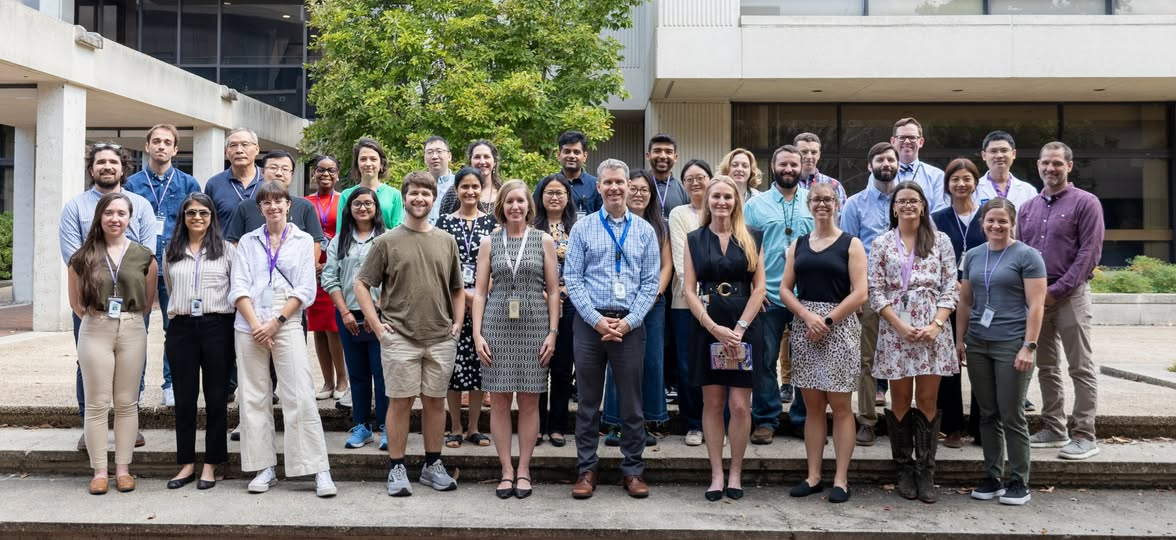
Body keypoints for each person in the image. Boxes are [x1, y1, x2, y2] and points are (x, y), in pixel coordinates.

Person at [354, 171, 466, 497]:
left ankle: (433, 464)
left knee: (435, 402)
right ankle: (397, 467)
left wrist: (458, 324)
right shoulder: (386, 241)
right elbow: (361, 284)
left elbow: (457, 288)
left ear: (434, 199)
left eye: (426, 193)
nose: (419, 198)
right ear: (404, 198)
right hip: (400, 336)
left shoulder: (446, 240)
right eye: (414, 193)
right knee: (400, 402)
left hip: (440, 337)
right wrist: (377, 326)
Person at [228, 180, 336, 498]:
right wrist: (256, 325)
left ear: (289, 205)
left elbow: (306, 288)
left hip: (285, 317)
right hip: (249, 320)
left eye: (279, 201)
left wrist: (275, 323)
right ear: (260, 208)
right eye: (267, 202)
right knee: (253, 395)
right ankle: (263, 467)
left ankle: (316, 467)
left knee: (299, 394)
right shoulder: (248, 241)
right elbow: (238, 286)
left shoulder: (302, 240)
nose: (273, 207)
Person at [565, 159, 660, 500]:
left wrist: (629, 321)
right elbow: (572, 278)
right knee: (588, 403)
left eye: (620, 182)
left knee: (632, 405)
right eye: (608, 182)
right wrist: (596, 319)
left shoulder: (645, 231)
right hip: (590, 325)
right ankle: (586, 470)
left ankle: (633, 470)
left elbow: (650, 283)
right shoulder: (582, 228)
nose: (615, 188)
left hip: (629, 325)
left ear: (629, 185)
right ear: (599, 187)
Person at [59, 143, 156, 451]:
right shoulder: (75, 207)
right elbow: (73, 257)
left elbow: (147, 253)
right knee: (86, 365)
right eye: (100, 162)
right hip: (93, 304)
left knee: (134, 364)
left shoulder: (140, 205)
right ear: (92, 169)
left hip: (131, 302)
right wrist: (85, 307)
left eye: (113, 162)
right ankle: (89, 425)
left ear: (123, 168)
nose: (107, 166)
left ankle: (130, 426)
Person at [870, 181, 959, 504]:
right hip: (896, 330)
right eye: (902, 201)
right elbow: (875, 290)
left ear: (923, 206)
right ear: (894, 208)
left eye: (914, 200)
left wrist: (937, 325)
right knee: (900, 398)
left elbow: (951, 285)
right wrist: (899, 325)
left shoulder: (940, 240)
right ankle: (904, 468)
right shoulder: (882, 243)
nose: (908, 205)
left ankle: (925, 470)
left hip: (932, 328)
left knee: (927, 398)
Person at [779, 182, 868, 504]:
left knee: (841, 407)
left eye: (828, 199)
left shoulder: (851, 244)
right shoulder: (798, 244)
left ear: (837, 203)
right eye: (816, 199)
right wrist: (807, 317)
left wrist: (827, 320)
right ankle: (814, 476)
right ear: (809, 204)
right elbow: (785, 289)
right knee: (813, 407)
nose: (821, 204)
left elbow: (861, 292)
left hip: (840, 328)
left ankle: (841, 479)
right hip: (806, 330)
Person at [473, 181, 561, 499]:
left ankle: (524, 469)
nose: (515, 206)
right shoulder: (489, 241)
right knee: (498, 401)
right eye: (509, 201)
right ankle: (506, 470)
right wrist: (477, 333)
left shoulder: (543, 240)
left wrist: (553, 332)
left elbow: (554, 291)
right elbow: (479, 292)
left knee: (529, 400)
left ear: (528, 206)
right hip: (497, 326)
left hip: (535, 326)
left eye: (520, 201)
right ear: (501, 206)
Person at [957, 198, 1047, 506]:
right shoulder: (973, 255)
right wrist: (959, 340)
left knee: (1011, 413)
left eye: (1002, 221)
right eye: (990, 220)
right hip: (978, 342)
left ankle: (1019, 480)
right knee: (987, 413)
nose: (996, 226)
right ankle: (992, 476)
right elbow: (965, 301)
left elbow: (1037, 305)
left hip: (1012, 343)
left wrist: (1029, 346)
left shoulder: (1028, 256)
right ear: (982, 223)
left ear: (1012, 223)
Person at [682, 177, 767, 501]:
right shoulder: (694, 238)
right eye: (716, 196)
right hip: (708, 327)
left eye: (727, 197)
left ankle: (735, 472)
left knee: (740, 406)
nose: (721, 202)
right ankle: (716, 473)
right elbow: (689, 289)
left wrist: (740, 328)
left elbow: (760, 288)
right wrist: (712, 327)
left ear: (736, 201)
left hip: (744, 326)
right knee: (714, 402)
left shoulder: (752, 237)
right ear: (708, 200)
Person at [1019, 142, 1105, 461]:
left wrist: (1057, 290)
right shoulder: (1027, 208)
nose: (1050, 168)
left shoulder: (1086, 203)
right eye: (1045, 163)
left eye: (1057, 163)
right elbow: (1021, 253)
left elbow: (1089, 253)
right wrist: (1032, 294)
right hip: (1037, 298)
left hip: (1071, 295)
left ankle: (1084, 434)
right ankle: (1054, 427)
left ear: (1069, 166)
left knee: (1080, 366)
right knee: (1046, 366)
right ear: (1038, 165)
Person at [69, 192, 157, 495]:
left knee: (126, 402)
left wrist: (127, 320)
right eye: (109, 213)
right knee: (96, 403)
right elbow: (75, 302)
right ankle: (99, 471)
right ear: (99, 217)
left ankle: (123, 469)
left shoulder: (144, 255)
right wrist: (99, 320)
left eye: (121, 213)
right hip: (96, 327)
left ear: (130, 218)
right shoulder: (83, 256)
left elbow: (148, 300)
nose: (115, 219)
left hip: (132, 328)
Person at [125, 123, 201, 407]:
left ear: (175, 149)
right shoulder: (132, 185)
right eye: (156, 141)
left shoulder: (188, 184)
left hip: (176, 263)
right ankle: (136, 386)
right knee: (136, 328)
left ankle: (171, 384)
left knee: (176, 328)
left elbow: (196, 224)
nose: (161, 146)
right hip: (140, 265)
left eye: (167, 142)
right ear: (147, 146)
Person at [162, 193, 234, 490]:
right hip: (181, 328)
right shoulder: (171, 250)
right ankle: (186, 463)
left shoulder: (226, 250)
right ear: (183, 217)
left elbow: (235, 288)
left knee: (216, 397)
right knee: (184, 397)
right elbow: (170, 286)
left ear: (212, 217)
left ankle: (211, 464)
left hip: (217, 325)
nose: (197, 218)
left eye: (203, 212)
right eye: (191, 212)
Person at [743, 145, 813, 445]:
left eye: (794, 164)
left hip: (806, 295)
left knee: (806, 360)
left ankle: (803, 419)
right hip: (768, 295)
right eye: (783, 164)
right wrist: (752, 290)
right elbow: (745, 250)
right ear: (773, 167)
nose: (788, 169)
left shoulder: (813, 200)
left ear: (802, 167)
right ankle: (765, 419)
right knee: (764, 360)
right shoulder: (755, 205)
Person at [601, 169, 672, 448]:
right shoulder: (609, 223)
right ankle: (616, 424)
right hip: (619, 304)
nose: (639, 194)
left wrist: (654, 294)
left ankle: (645, 422)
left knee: (650, 362)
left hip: (652, 304)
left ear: (652, 195)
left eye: (645, 190)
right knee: (618, 362)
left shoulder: (659, 226)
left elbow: (667, 266)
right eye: (635, 188)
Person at [840, 142, 901, 447]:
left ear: (898, 164)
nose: (885, 163)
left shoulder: (908, 199)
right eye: (880, 159)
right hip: (868, 293)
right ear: (870, 165)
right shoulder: (855, 204)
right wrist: (853, 295)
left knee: (904, 356)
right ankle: (867, 420)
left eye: (890, 159)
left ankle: (902, 420)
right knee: (867, 359)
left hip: (905, 295)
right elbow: (847, 252)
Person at [321, 187, 388, 450]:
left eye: (368, 203)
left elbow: (393, 277)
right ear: (349, 208)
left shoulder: (386, 238)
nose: (363, 208)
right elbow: (330, 278)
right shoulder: (340, 240)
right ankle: (361, 426)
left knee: (382, 374)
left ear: (376, 208)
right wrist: (345, 312)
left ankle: (386, 426)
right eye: (357, 203)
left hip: (380, 316)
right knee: (357, 374)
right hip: (348, 315)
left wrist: (377, 310)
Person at [436, 168, 497, 449]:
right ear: (456, 190)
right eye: (465, 187)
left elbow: (497, 262)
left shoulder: (493, 223)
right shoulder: (444, 222)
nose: (470, 192)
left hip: (487, 301)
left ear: (481, 189)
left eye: (475, 187)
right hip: (452, 301)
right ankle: (455, 427)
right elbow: (441, 265)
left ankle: (474, 427)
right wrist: (465, 297)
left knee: (479, 364)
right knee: (454, 365)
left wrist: (479, 296)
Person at [931, 158, 988, 449]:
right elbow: (931, 257)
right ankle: (951, 427)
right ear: (947, 184)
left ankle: (980, 426)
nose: (961, 184)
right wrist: (955, 283)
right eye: (955, 179)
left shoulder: (987, 214)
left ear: (975, 182)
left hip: (984, 298)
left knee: (980, 360)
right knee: (949, 363)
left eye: (967, 178)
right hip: (948, 298)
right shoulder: (937, 218)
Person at [668, 158, 713, 446]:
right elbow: (681, 261)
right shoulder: (678, 214)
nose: (696, 183)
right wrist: (700, 297)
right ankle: (694, 424)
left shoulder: (723, 209)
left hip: (721, 304)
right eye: (689, 179)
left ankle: (718, 423)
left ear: (711, 179)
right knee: (687, 365)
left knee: (718, 364)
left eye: (701, 177)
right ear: (683, 185)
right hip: (685, 303)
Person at [533, 174, 580, 447]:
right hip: (536, 302)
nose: (554, 197)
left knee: (562, 367)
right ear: (540, 196)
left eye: (559, 192)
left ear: (568, 197)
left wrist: (562, 293)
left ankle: (558, 426)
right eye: (549, 192)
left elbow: (583, 267)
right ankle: (536, 425)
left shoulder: (578, 228)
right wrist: (545, 293)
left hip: (570, 303)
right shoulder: (530, 227)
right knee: (539, 364)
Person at [306, 155, 347, 403]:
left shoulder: (344, 200)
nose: (326, 174)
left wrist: (329, 264)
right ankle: (327, 381)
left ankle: (342, 379)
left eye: (331, 170)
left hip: (335, 269)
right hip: (311, 269)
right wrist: (312, 264)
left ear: (338, 174)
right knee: (318, 328)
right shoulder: (304, 202)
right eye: (321, 170)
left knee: (333, 327)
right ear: (314, 174)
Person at [336, 138, 405, 235]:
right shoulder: (346, 195)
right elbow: (341, 232)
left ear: (381, 164)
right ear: (357, 164)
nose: (368, 164)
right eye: (363, 159)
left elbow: (398, 232)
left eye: (373, 159)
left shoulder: (394, 195)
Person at [205, 128, 263, 231]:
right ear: (226, 152)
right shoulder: (214, 184)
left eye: (245, 144)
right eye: (233, 145)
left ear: (257, 149)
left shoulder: (269, 180)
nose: (239, 150)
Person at [534, 131, 602, 218]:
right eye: (567, 151)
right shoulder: (546, 184)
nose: (571, 156)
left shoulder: (596, 185)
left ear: (584, 156)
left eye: (576, 152)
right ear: (559, 155)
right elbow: (534, 214)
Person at [891, 118, 947, 212]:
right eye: (902, 137)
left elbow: (940, 211)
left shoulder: (937, 176)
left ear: (921, 142)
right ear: (893, 141)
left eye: (912, 137)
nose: (907, 141)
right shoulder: (880, 176)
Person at [438, 139, 502, 216]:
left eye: (486, 157)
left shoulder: (503, 193)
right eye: (477, 157)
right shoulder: (454, 192)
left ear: (494, 162)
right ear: (470, 161)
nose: (482, 161)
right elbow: (442, 220)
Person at [977, 131, 1038, 209]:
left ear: (1013, 154)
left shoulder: (1028, 191)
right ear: (984, 155)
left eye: (1004, 150)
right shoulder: (974, 189)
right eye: (993, 151)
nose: (999, 155)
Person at [794, 132, 847, 206]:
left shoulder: (835, 185)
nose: (809, 156)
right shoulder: (783, 185)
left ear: (819, 155)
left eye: (814, 152)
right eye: (804, 152)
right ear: (795, 154)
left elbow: (841, 212)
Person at [646, 134, 688, 216]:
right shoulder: (637, 188)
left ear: (675, 157)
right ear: (648, 156)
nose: (663, 156)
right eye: (657, 151)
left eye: (668, 152)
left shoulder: (684, 190)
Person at [425, 136, 456, 224]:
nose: (434, 156)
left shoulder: (459, 184)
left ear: (449, 156)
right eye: (429, 152)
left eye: (439, 151)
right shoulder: (417, 184)